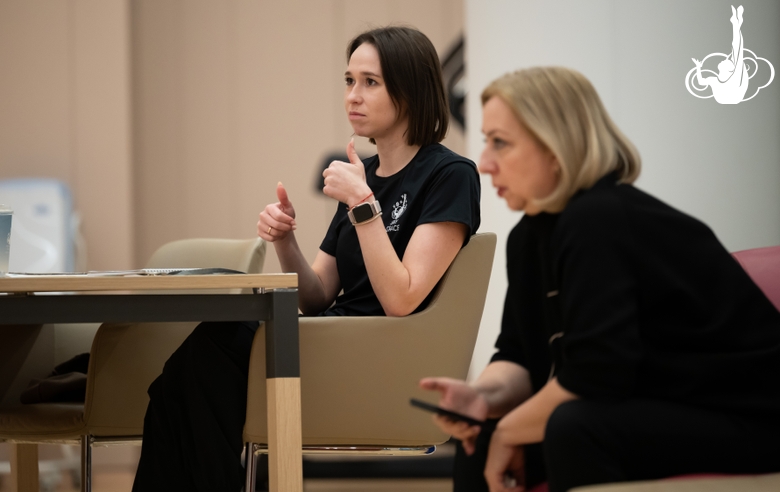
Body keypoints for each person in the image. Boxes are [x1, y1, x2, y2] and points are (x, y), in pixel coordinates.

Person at [132, 26, 480, 492]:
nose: (352, 96)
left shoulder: (449, 174)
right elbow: (316, 296)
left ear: (412, 89)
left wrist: (363, 205)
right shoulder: (365, 174)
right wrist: (285, 242)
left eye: (370, 82)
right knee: (180, 384)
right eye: (349, 80)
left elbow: (402, 297)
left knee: (199, 371)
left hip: (374, 353)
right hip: (328, 337)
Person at [421, 66, 780, 492]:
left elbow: (596, 375)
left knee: (575, 426)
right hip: (658, 408)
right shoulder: (530, 236)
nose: (484, 163)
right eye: (486, 142)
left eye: (501, 143)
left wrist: (509, 431)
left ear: (556, 148)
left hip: (749, 417)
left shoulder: (599, 219)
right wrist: (484, 400)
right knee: (479, 435)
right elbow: (521, 353)